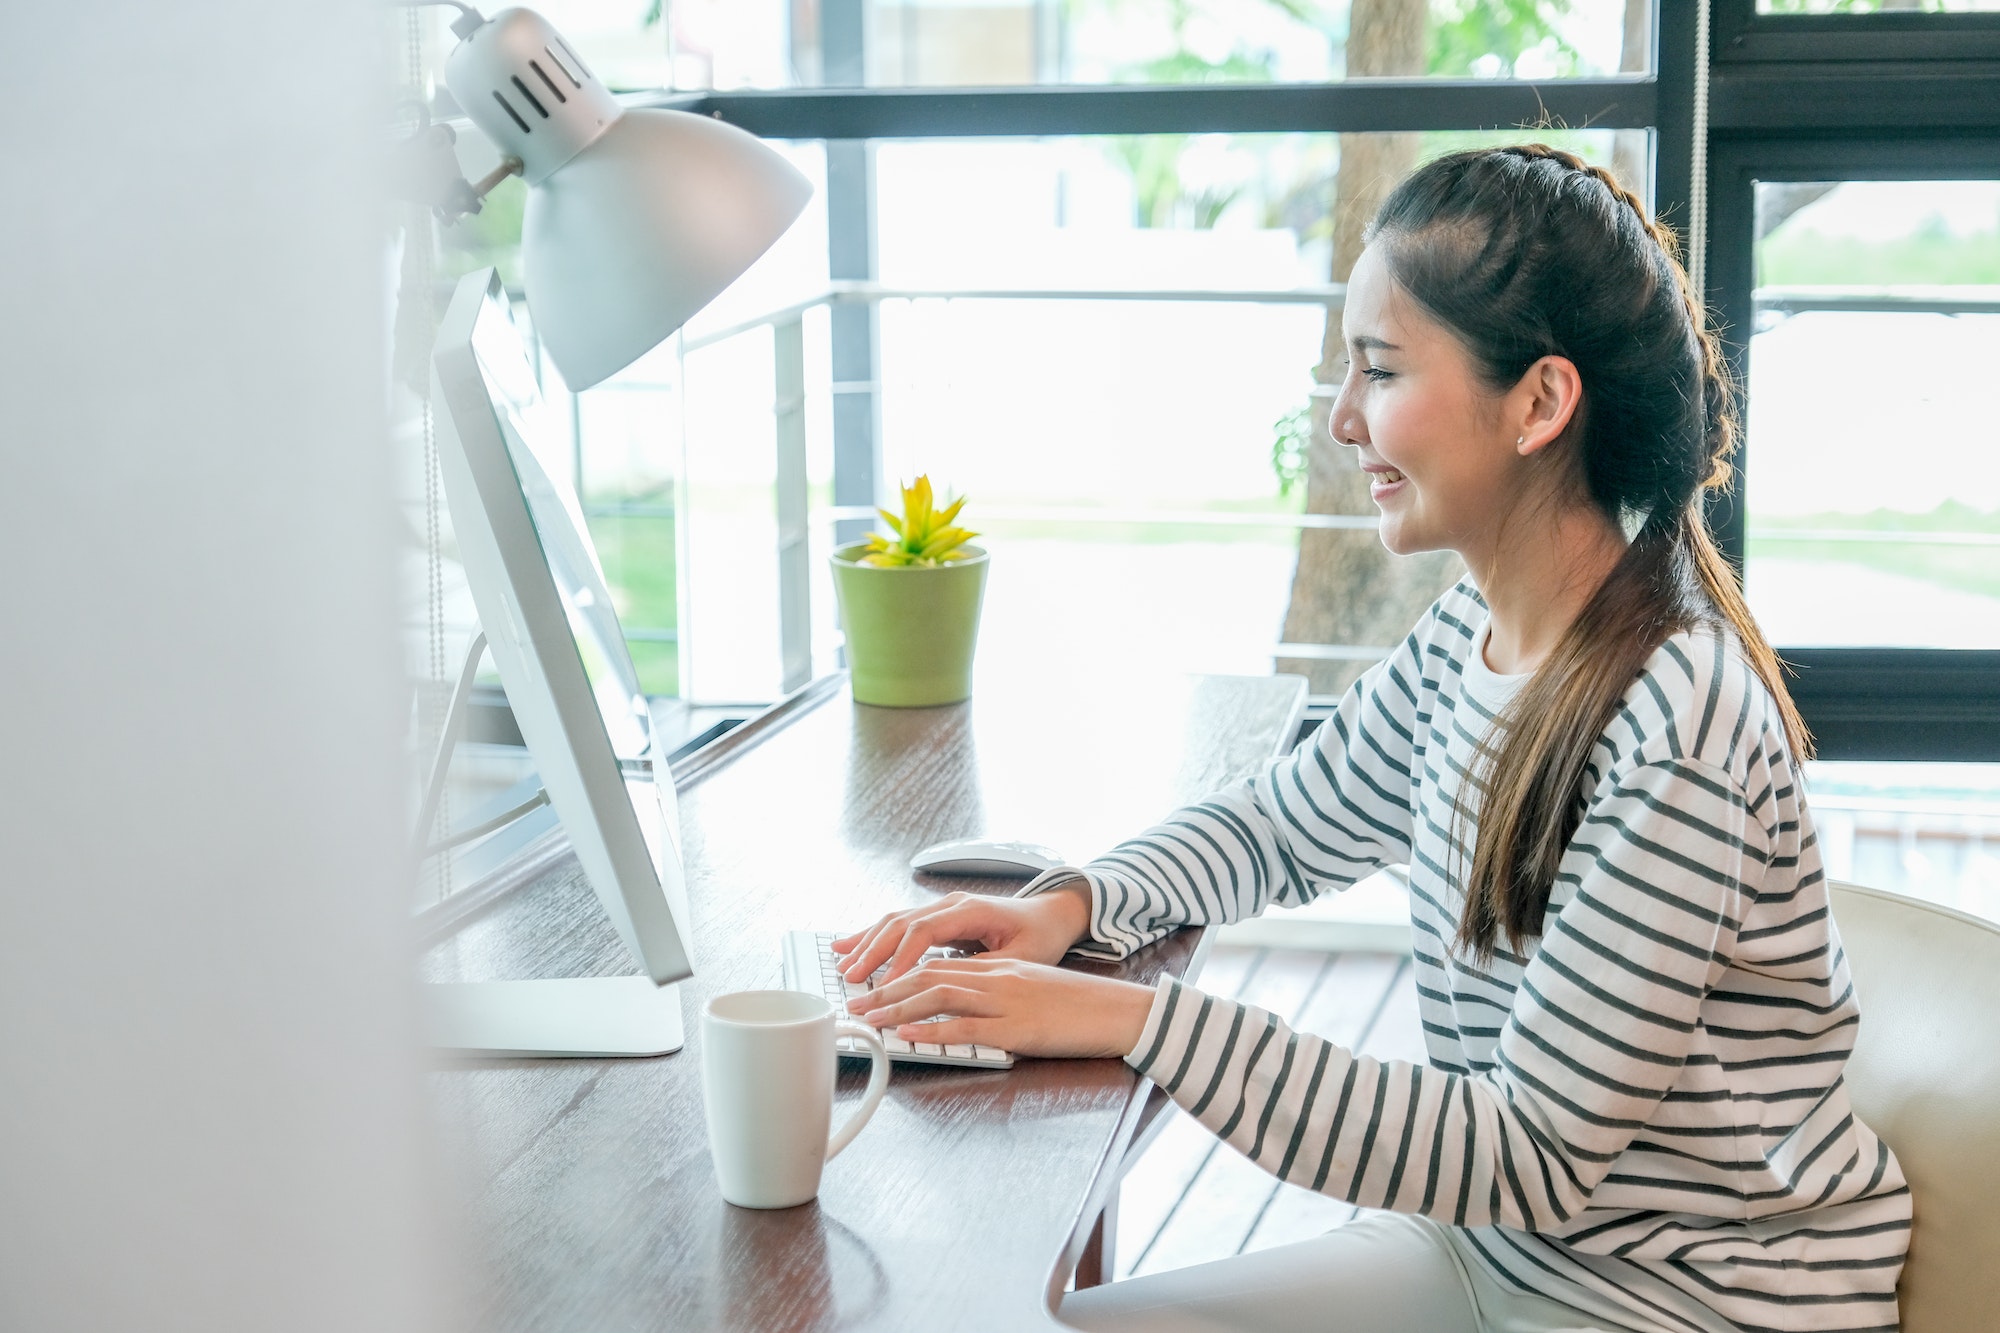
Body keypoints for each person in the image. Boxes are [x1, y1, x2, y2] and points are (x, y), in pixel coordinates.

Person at [834, 144, 1910, 1333]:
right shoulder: (1475, 629)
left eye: (1380, 369)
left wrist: (1127, 1018)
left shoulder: (1674, 719)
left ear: (1540, 404)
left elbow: (1529, 1154)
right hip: (1500, 1258)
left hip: (1686, 1303)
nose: (1341, 417)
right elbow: (1288, 819)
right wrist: (1079, 902)